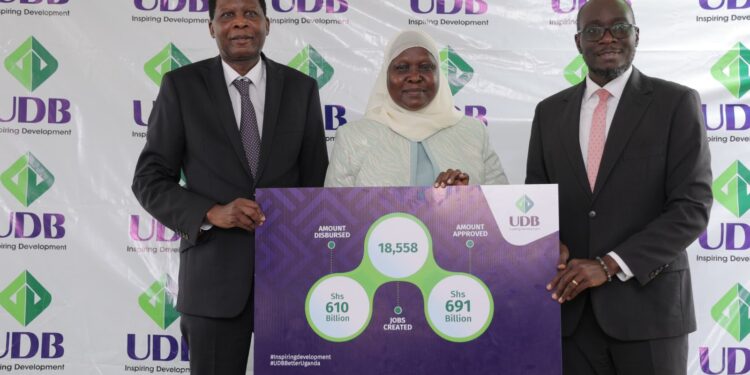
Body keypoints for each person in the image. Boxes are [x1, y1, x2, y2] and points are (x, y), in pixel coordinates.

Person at [131, 0, 328, 373]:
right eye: (228, 16)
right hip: (213, 283)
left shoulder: (301, 88)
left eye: (250, 14)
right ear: (211, 27)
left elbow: (315, 182)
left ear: (267, 24)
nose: (240, 23)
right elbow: (150, 179)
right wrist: (210, 212)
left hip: (290, 281)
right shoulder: (182, 86)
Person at [525, 0, 712, 373]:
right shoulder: (549, 112)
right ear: (578, 42)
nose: (608, 37)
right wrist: (550, 243)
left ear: (636, 35)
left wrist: (609, 265)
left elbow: (691, 207)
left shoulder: (675, 103)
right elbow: (536, 201)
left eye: (620, 27)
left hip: (650, 314)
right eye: (594, 30)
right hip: (569, 315)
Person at [325, 29, 507, 188]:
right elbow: (334, 214)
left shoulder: (474, 132)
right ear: (385, 76)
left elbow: (501, 208)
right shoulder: (353, 137)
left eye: (425, 67)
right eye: (401, 68)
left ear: (439, 75)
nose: (414, 76)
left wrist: (469, 198)